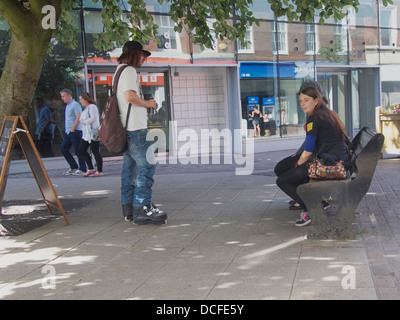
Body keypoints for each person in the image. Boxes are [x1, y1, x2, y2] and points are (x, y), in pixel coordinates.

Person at [276, 82, 351, 227]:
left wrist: (298, 164)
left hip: (330, 164)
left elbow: (309, 150)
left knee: (282, 180)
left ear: (316, 100)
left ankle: (312, 207)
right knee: (280, 168)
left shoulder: (314, 118)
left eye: (306, 100)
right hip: (335, 159)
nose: (302, 104)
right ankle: (313, 199)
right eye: (301, 101)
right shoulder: (324, 113)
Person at [115, 40, 167, 225]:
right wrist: (148, 104)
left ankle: (129, 208)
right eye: (143, 55)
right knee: (149, 164)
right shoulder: (128, 70)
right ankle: (143, 207)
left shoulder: (118, 71)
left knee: (129, 169)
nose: (144, 59)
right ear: (135, 54)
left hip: (127, 128)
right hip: (135, 129)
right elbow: (129, 97)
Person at [60, 88, 86, 175]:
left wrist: (73, 128)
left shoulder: (75, 105)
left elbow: (79, 117)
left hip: (75, 131)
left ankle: (82, 168)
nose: (62, 98)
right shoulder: (68, 106)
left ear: (68, 96)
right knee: (63, 149)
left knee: (78, 150)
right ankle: (73, 166)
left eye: (63, 96)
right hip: (69, 132)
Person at [79, 92, 103, 177]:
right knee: (82, 150)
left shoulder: (92, 107)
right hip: (86, 134)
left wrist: (84, 122)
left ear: (86, 99)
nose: (80, 101)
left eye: (81, 99)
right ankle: (90, 168)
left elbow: (94, 118)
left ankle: (99, 171)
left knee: (95, 151)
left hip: (92, 133)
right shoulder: (86, 109)